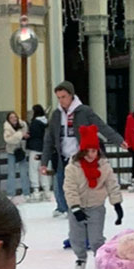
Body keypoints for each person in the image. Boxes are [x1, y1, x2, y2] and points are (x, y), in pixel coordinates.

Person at [40, 81, 125, 218]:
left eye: (64, 97)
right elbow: (49, 139)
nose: (61, 100)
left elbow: (101, 126)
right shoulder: (56, 115)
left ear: (71, 95)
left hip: (80, 155)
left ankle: (82, 207)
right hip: (63, 156)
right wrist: (44, 162)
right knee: (61, 183)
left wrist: (118, 140)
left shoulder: (84, 111)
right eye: (59, 97)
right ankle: (64, 207)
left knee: (81, 184)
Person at [64, 125, 123, 269]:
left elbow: (112, 184)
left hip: (96, 206)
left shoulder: (104, 166)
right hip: (77, 207)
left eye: (94, 151)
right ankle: (81, 257)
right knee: (76, 237)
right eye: (88, 151)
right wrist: (75, 208)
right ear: (82, 151)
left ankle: (102, 261)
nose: (91, 155)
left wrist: (116, 204)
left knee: (96, 238)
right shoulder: (73, 167)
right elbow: (69, 188)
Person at [2, 111, 29, 200]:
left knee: (23, 172)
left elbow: (26, 135)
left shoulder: (23, 125)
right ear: (8, 120)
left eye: (15, 117)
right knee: (11, 173)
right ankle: (10, 193)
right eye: (11, 117)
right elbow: (8, 140)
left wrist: (17, 136)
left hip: (21, 151)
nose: (14, 119)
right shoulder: (7, 128)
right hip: (11, 151)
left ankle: (26, 192)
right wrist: (20, 135)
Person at [25, 104, 49, 202]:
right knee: (43, 169)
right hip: (44, 149)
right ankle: (46, 190)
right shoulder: (46, 122)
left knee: (34, 170)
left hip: (35, 149)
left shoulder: (35, 123)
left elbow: (32, 135)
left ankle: (36, 191)